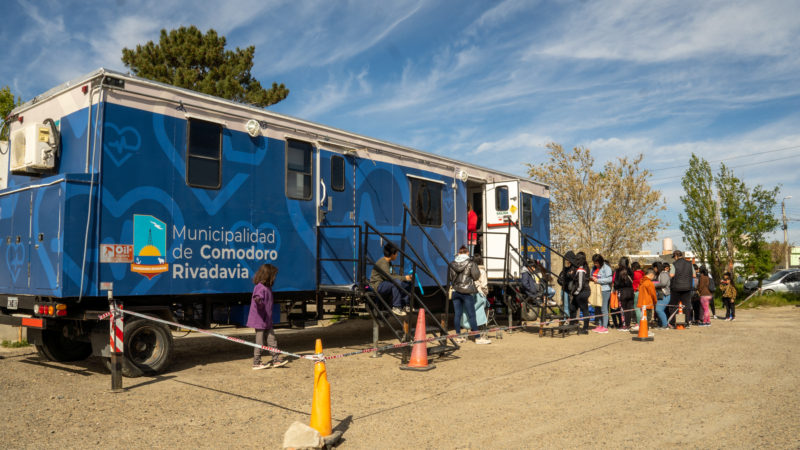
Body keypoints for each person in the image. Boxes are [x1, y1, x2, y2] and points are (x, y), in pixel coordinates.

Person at [248, 264, 288, 370]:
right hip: (260, 320)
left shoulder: (267, 288)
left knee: (271, 339)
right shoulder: (260, 287)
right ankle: (256, 362)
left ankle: (276, 359)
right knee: (260, 341)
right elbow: (257, 298)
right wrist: (260, 303)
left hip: (267, 320)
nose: (275, 277)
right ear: (268, 275)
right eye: (274, 275)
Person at [369, 243, 413, 316]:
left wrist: (405, 278)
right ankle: (396, 307)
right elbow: (389, 277)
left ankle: (406, 305)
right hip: (378, 285)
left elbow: (394, 275)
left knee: (407, 283)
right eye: (396, 253)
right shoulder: (383, 262)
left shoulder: (388, 263)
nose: (397, 255)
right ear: (393, 254)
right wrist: (404, 277)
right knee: (396, 282)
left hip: (386, 283)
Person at [449, 245, 481, 342]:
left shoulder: (452, 263)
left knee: (457, 314)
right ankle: (477, 337)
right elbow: (476, 276)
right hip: (467, 292)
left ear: (459, 253)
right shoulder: (471, 263)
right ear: (467, 253)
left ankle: (458, 336)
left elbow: (450, 278)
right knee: (471, 315)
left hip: (455, 291)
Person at [465, 253, 491, 345]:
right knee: (484, 310)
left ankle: (471, 331)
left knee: (471, 313)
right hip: (480, 294)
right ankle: (482, 334)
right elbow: (484, 285)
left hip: (470, 293)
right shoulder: (482, 271)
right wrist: (486, 293)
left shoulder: (469, 270)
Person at [669, 250, 694, 328]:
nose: (674, 259)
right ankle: (686, 323)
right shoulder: (690, 263)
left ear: (676, 256)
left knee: (673, 305)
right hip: (687, 288)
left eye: (674, 257)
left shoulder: (674, 264)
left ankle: (673, 323)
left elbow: (671, 275)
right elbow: (694, 275)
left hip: (676, 287)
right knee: (686, 306)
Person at [569, 252, 591, 335]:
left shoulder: (581, 270)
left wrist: (576, 293)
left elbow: (580, 284)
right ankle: (572, 326)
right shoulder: (583, 268)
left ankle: (585, 329)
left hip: (582, 292)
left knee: (584, 309)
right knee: (573, 308)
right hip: (581, 292)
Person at [590, 253, 613, 334]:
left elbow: (610, 279)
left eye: (596, 262)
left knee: (604, 308)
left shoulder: (607, 268)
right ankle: (600, 325)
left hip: (605, 290)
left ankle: (605, 326)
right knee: (598, 308)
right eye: (594, 262)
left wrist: (599, 280)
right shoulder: (594, 268)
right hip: (596, 290)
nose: (595, 264)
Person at [614, 257, 634, 331]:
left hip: (622, 292)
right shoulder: (630, 271)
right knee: (628, 309)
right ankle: (628, 324)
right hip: (630, 292)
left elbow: (616, 283)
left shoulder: (618, 271)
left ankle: (624, 325)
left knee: (623, 309)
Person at [557, 251, 576, 321]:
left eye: (568, 259)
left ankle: (569, 319)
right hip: (565, 288)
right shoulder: (565, 268)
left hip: (570, 289)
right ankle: (566, 319)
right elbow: (559, 279)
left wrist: (568, 276)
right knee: (565, 305)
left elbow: (572, 277)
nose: (567, 261)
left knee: (569, 306)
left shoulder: (574, 268)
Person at [653, 262, 671, 329]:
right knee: (659, 310)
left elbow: (663, 283)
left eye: (654, 268)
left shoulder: (663, 274)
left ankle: (664, 325)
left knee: (659, 310)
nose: (654, 269)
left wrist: (654, 284)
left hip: (665, 294)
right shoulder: (662, 274)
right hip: (661, 294)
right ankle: (661, 324)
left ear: (657, 267)